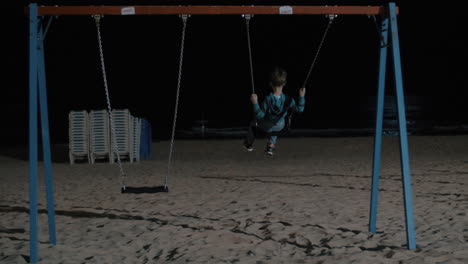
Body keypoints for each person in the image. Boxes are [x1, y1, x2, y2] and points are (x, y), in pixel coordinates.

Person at [244, 67, 306, 156]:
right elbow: (300, 109)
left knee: (254, 123)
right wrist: (302, 96)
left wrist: (255, 103)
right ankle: (270, 146)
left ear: (270, 84)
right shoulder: (289, 100)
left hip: (267, 126)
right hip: (280, 126)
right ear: (284, 83)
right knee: (276, 123)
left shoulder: (268, 100)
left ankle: (248, 144)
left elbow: (260, 115)